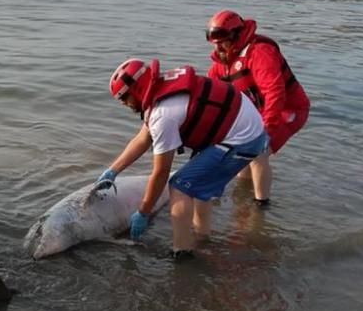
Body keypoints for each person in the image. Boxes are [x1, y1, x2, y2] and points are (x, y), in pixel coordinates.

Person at [95, 58, 267, 259]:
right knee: (197, 185)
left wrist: (143, 212)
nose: (124, 104)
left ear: (137, 89)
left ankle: (182, 252)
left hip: (243, 139)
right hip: (241, 126)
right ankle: (202, 237)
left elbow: (160, 173)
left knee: (179, 186)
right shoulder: (161, 90)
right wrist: (113, 171)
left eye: (124, 98)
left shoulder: (163, 116)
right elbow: (143, 138)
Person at [205, 10, 310, 207]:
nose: (218, 46)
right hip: (258, 112)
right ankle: (241, 197)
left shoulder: (260, 52)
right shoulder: (222, 63)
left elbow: (275, 92)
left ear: (236, 34)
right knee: (240, 157)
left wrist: (266, 131)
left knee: (256, 153)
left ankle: (261, 207)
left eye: (222, 41)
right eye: (214, 43)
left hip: (288, 110)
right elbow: (210, 92)